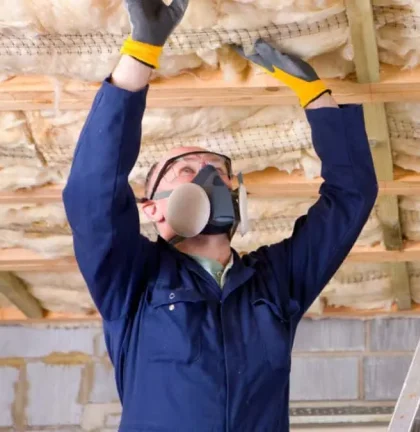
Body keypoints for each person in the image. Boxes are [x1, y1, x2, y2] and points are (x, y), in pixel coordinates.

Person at [61, 0, 378, 431]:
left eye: (220, 171)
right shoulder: (132, 279)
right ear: (151, 208)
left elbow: (352, 196)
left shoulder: (275, 282)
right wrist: (141, 54)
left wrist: (316, 98)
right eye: (186, 170)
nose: (209, 176)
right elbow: (92, 194)